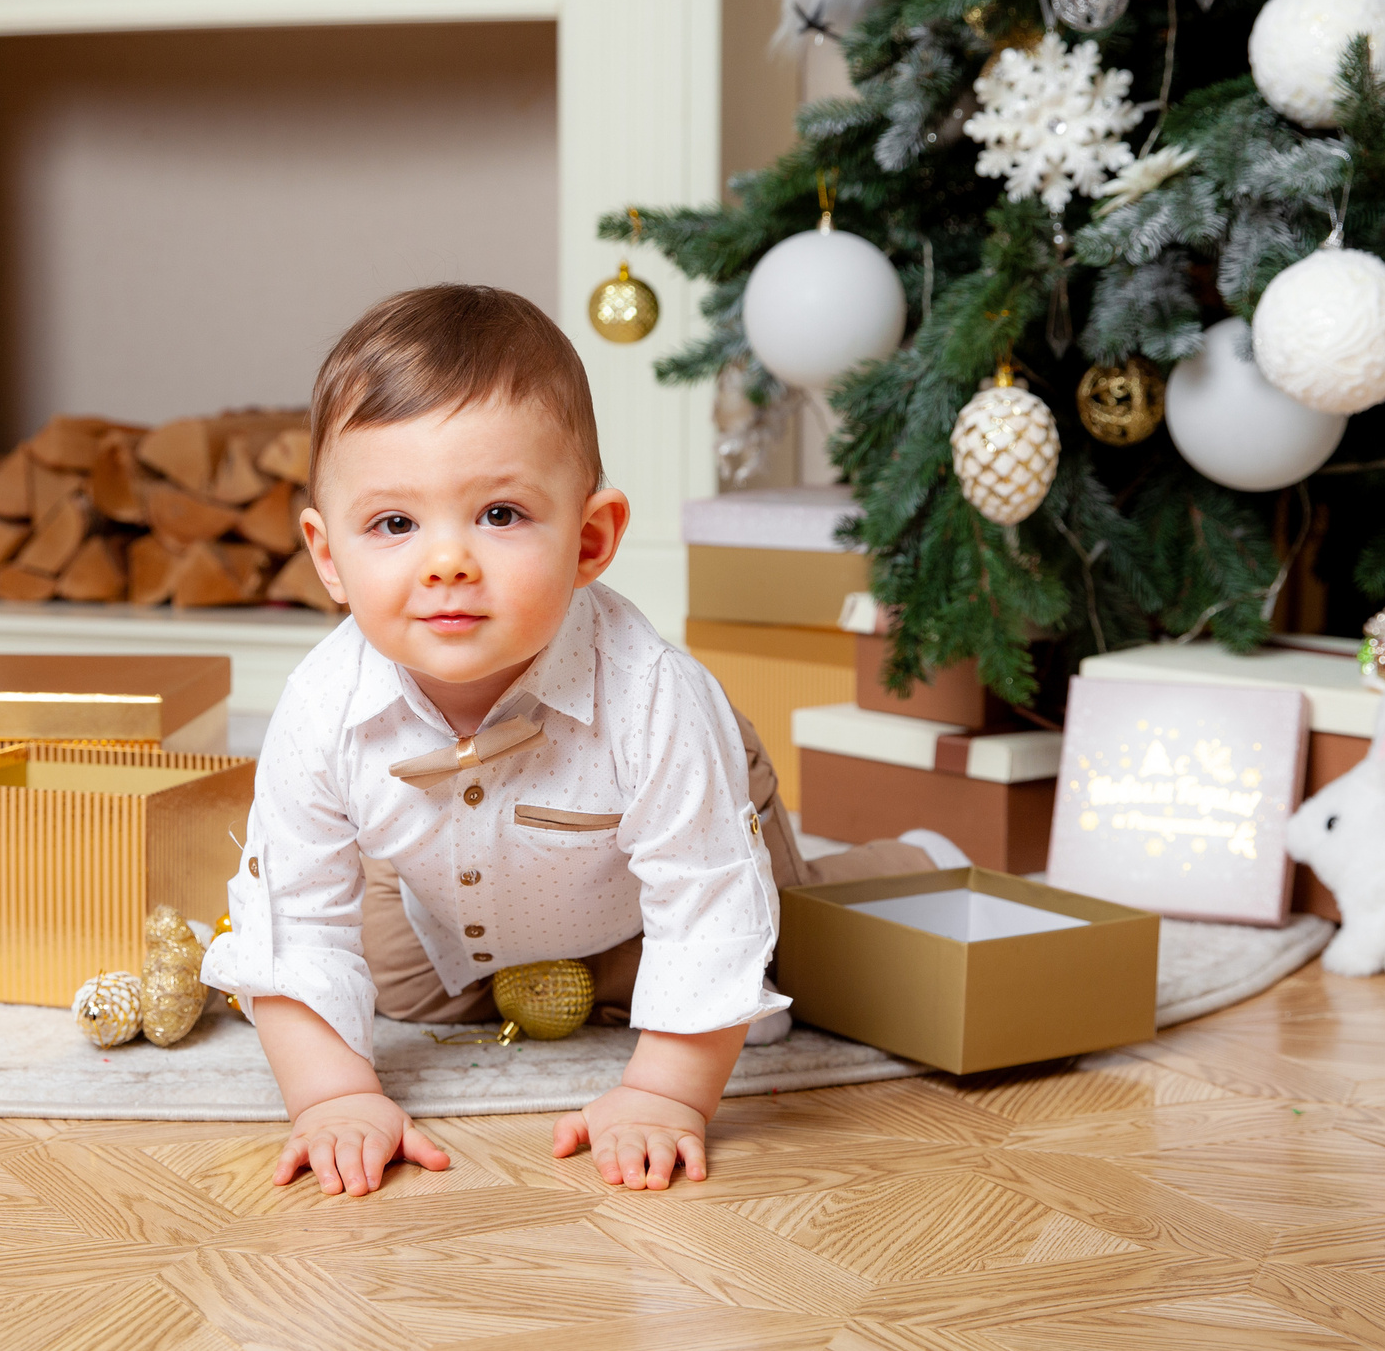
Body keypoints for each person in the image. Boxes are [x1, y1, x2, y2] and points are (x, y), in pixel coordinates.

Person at [202, 284, 908, 1199]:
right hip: (464, 870)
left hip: (666, 835)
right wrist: (334, 1097)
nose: (446, 560)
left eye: (500, 514)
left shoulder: (652, 693)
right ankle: (575, 970)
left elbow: (701, 902)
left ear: (590, 537)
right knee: (397, 994)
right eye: (394, 523)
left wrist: (664, 1093)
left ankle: (891, 865)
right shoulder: (320, 707)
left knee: (769, 964)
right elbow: (297, 919)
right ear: (328, 554)